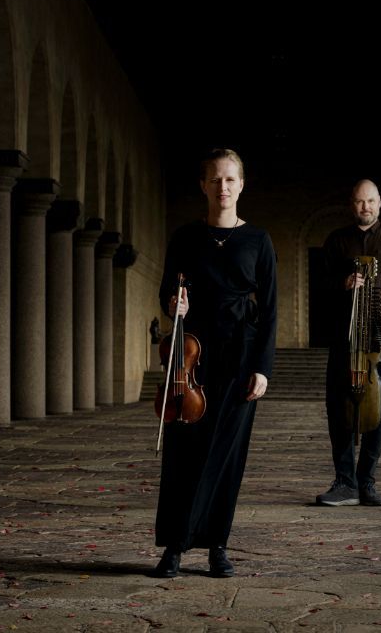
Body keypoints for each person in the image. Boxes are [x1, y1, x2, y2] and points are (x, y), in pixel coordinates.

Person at [151, 148, 277, 578]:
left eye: (230, 179)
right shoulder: (185, 237)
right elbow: (169, 292)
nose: (222, 187)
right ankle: (174, 547)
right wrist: (174, 302)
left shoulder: (259, 240)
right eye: (215, 180)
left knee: (228, 455)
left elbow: (272, 309)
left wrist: (263, 367)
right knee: (183, 453)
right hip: (193, 354)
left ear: (241, 185)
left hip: (241, 355)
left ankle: (216, 547)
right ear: (203, 186)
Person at [316, 179, 381, 507]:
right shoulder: (336, 240)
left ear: (379, 202)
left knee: (378, 405)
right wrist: (344, 283)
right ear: (352, 204)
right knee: (338, 403)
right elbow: (321, 287)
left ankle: (366, 480)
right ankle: (344, 482)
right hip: (344, 331)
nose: (366, 207)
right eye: (360, 202)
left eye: (371, 201)